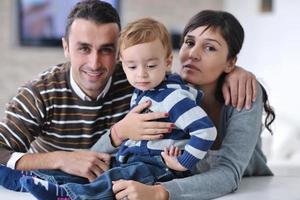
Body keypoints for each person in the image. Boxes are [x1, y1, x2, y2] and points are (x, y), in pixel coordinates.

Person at [0, 0, 257, 198]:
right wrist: (67, 155)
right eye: (83, 48)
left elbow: (177, 85)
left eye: (107, 49)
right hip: (84, 170)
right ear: (66, 46)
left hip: (142, 171)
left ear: (119, 53)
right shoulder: (40, 93)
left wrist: (238, 73)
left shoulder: (142, 78)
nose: (95, 63)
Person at [111, 10, 276, 200]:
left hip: (250, 185)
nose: (193, 54)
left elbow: (229, 173)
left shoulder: (244, 91)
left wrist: (159, 192)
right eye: (189, 43)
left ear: (230, 62)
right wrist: (118, 132)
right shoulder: (161, 86)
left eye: (210, 48)